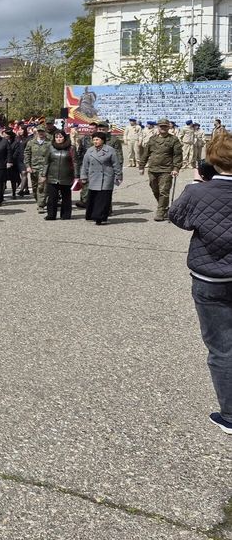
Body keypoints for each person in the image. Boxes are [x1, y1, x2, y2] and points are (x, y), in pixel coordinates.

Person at [169, 132, 232, 434]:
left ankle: (230, 414)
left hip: (211, 278)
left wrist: (197, 185)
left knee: (221, 348)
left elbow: (178, 218)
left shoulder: (198, 192)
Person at [140, 118, 183, 222]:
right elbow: (146, 153)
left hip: (166, 169)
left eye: (165, 126)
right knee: (155, 190)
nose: (163, 128)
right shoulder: (152, 139)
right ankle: (164, 207)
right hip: (153, 169)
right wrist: (141, 166)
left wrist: (176, 168)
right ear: (157, 127)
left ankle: (160, 211)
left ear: (168, 127)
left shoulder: (173, 140)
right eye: (161, 126)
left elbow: (177, 155)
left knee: (164, 191)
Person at [79, 131, 121, 225]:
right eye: (94, 140)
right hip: (93, 176)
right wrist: (83, 176)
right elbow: (85, 165)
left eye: (97, 139)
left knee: (103, 198)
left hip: (106, 177)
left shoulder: (110, 150)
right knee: (93, 197)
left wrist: (118, 175)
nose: (95, 141)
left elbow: (116, 164)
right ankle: (91, 215)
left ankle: (100, 217)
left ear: (102, 140)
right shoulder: (90, 150)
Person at [42, 129, 76, 220]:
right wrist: (43, 175)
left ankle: (65, 214)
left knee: (66, 197)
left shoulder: (71, 148)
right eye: (56, 137)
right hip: (52, 176)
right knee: (52, 197)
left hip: (66, 176)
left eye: (60, 137)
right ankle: (51, 215)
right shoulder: (50, 148)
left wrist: (77, 176)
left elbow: (75, 162)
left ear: (64, 137)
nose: (58, 139)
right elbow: (46, 162)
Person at [23, 126, 51, 215]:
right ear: (36, 132)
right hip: (34, 168)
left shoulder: (49, 143)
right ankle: (38, 200)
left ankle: (41, 205)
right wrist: (28, 166)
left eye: (42, 131)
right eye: (39, 131)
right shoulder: (31, 142)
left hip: (44, 168)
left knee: (42, 186)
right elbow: (27, 154)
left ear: (45, 132)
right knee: (35, 187)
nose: (41, 133)